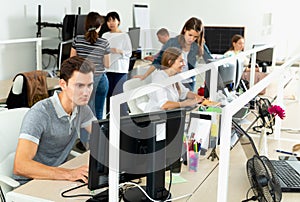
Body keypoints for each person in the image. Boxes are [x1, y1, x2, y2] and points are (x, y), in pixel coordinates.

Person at [13, 56, 97, 184]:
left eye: (89, 85)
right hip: (30, 182)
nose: (86, 92)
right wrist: (69, 174)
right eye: (79, 86)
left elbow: (102, 135)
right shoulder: (40, 113)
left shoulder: (82, 109)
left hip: (57, 177)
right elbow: (20, 166)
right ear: (63, 84)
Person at [135, 17, 205, 92]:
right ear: (185, 30)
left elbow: (210, 60)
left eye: (195, 37)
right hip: (174, 81)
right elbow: (157, 61)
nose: (191, 39)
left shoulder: (198, 44)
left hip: (189, 82)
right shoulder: (172, 42)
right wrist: (145, 75)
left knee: (190, 101)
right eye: (190, 35)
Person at [70, 11, 110, 120]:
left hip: (84, 81)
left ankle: (85, 137)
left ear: (86, 25)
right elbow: (107, 64)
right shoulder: (104, 42)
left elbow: (72, 62)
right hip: (100, 79)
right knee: (99, 112)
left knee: (85, 114)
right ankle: (98, 136)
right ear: (100, 26)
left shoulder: (77, 40)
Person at [144, 47, 204, 112]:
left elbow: (185, 92)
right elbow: (164, 105)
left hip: (171, 114)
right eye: (181, 61)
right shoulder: (159, 78)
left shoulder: (174, 76)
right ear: (170, 62)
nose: (184, 64)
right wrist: (185, 103)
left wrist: (199, 98)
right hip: (156, 115)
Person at [102, 11, 132, 116]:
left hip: (120, 70)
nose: (111, 23)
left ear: (118, 21)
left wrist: (118, 51)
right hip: (108, 69)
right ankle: (109, 119)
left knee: (119, 95)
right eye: (108, 20)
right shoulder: (105, 35)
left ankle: (122, 118)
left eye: (113, 20)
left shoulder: (124, 36)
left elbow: (129, 53)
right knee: (109, 95)